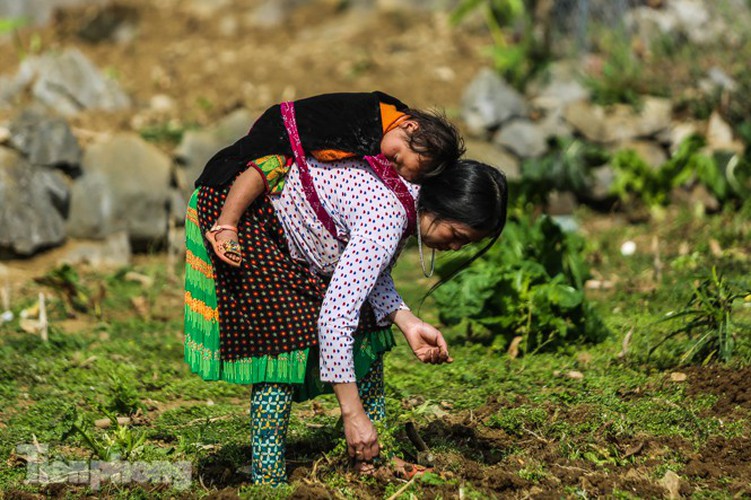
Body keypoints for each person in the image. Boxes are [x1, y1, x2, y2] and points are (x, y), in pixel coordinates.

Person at [184, 102, 507, 485]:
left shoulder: (407, 195)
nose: (453, 248)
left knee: (370, 330)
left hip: (302, 236)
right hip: (249, 215)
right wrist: (351, 413)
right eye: (456, 237)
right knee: (283, 343)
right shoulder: (387, 217)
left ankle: (372, 455)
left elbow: (368, 277)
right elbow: (335, 318)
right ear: (440, 204)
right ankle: (268, 479)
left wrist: (407, 321)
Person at [193, 91, 465, 267]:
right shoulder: (370, 116)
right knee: (267, 168)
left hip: (306, 150)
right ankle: (226, 225)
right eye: (396, 160)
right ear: (410, 126)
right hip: (285, 130)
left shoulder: (388, 132)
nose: (393, 167)